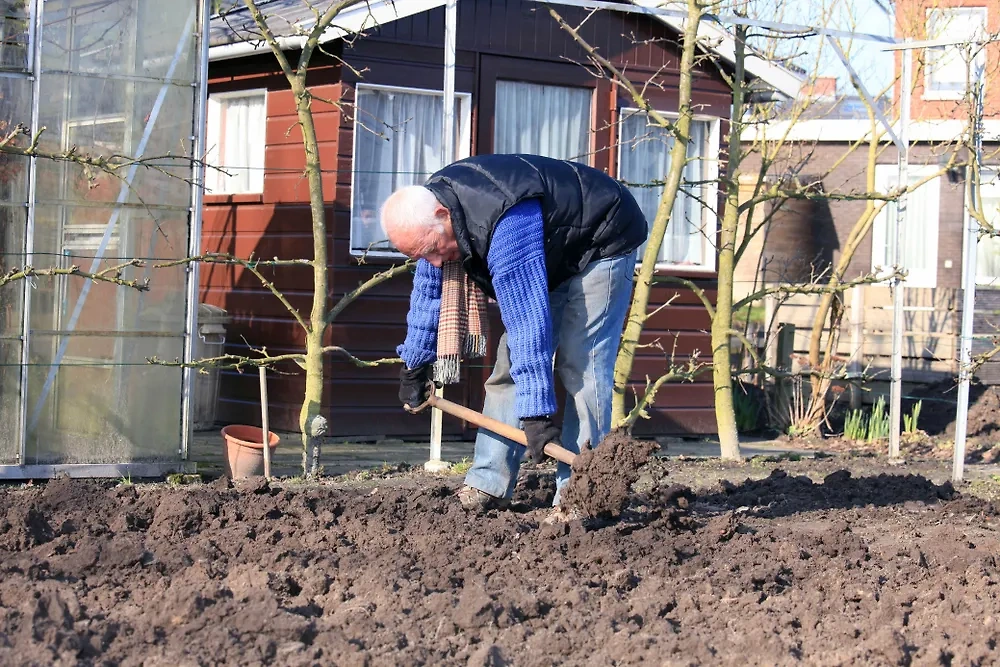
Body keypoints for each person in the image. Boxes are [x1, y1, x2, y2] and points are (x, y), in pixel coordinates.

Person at [381, 154, 647, 522]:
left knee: (581, 363)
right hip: (555, 250)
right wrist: (414, 365)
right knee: (507, 365)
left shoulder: (504, 220)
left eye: (432, 250)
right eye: (422, 255)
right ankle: (488, 482)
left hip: (604, 239)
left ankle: (582, 494)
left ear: (444, 215)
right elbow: (428, 296)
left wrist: (536, 413)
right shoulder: (434, 224)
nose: (437, 263)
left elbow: (527, 319)